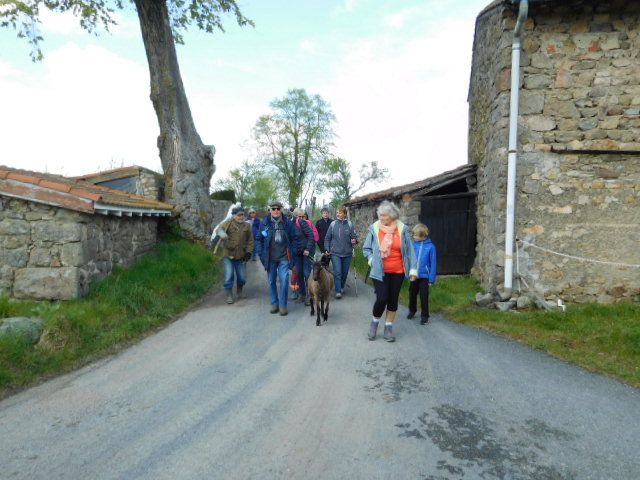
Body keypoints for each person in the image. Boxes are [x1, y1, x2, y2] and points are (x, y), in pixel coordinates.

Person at [362, 200, 417, 342]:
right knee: (382, 298)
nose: (381, 218)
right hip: (379, 271)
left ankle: (388, 327)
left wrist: (412, 270)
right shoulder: (374, 228)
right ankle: (374, 323)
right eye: (380, 215)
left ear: (392, 216)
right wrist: (371, 260)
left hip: (398, 271)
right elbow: (366, 248)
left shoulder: (402, 229)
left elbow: (410, 252)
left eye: (384, 216)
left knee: (393, 300)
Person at [257, 201, 297, 316]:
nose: (275, 211)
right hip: (270, 258)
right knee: (271, 281)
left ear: (281, 210)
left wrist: (293, 251)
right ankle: (274, 303)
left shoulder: (287, 223)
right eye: (273, 208)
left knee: (284, 280)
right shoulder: (264, 223)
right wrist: (261, 254)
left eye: (278, 208)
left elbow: (295, 238)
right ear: (270, 210)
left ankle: (283, 305)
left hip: (284, 257)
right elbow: (258, 239)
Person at [216, 206, 254, 304]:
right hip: (228, 255)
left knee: (242, 277)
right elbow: (219, 229)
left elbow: (250, 241)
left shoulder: (247, 226)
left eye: (242, 215)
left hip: (241, 256)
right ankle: (229, 295)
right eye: (239, 215)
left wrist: (249, 252)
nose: (241, 217)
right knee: (229, 276)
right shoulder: (228, 224)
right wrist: (222, 233)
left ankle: (239, 292)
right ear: (234, 216)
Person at [324, 205, 357, 299]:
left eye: (340, 212)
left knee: (344, 272)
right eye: (337, 212)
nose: (338, 214)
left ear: (345, 214)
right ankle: (338, 291)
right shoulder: (333, 224)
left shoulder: (350, 224)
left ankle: (342, 286)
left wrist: (354, 240)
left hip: (347, 253)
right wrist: (327, 249)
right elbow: (327, 238)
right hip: (335, 253)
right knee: (337, 272)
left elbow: (354, 237)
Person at [407, 223, 437, 325]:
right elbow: (409, 259)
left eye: (415, 235)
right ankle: (412, 310)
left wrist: (431, 279)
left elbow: (433, 263)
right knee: (412, 293)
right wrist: (409, 273)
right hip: (414, 275)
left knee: (424, 296)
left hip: (425, 277)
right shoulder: (413, 245)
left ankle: (425, 316)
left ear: (422, 235)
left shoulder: (431, 247)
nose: (413, 237)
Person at [292, 207, 316, 306]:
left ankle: (310, 295)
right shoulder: (291, 224)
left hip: (306, 252)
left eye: (303, 216)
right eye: (299, 216)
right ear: (295, 216)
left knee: (307, 273)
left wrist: (307, 249)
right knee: (299, 273)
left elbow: (311, 236)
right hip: (297, 253)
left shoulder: (304, 223)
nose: (301, 218)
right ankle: (302, 294)